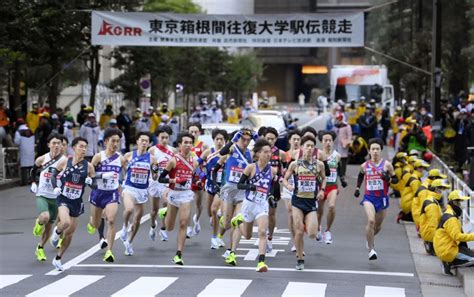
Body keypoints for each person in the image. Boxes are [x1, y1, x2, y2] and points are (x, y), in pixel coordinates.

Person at [231, 138, 278, 272]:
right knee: (247, 236)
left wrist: (271, 196)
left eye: (270, 152)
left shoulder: (273, 170)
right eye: (265, 152)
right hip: (249, 204)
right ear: (257, 153)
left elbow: (272, 187)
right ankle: (239, 220)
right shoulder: (251, 167)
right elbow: (240, 184)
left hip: (262, 205)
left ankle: (261, 262)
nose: (268, 155)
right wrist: (250, 186)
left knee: (263, 231)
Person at [49, 137, 95, 271]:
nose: (84, 149)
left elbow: (95, 184)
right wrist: (55, 187)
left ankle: (58, 258)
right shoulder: (65, 161)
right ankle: (56, 232)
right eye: (81, 146)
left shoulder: (89, 166)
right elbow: (53, 174)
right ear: (74, 148)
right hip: (63, 198)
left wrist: (91, 182)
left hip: (77, 201)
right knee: (65, 222)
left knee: (69, 233)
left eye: (85, 147)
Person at [213, 128, 256, 265]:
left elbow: (262, 153)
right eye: (243, 139)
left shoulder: (250, 153)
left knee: (238, 220)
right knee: (226, 224)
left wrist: (257, 137)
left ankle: (232, 252)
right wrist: (233, 140)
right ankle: (222, 217)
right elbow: (222, 152)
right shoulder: (232, 149)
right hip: (229, 189)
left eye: (248, 140)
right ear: (238, 138)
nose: (245, 142)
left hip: (242, 191)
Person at [283, 135, 326, 270]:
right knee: (299, 232)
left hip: (311, 203)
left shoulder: (319, 165)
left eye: (312, 146)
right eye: (307, 146)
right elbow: (285, 179)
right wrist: (288, 186)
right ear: (302, 148)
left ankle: (310, 226)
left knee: (312, 234)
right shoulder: (295, 164)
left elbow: (324, 178)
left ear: (314, 149)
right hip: (297, 202)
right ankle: (300, 258)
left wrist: (322, 190)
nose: (309, 148)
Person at [157, 132, 200, 265]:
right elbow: (161, 178)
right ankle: (164, 213)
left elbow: (195, 178)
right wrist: (175, 179)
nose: (188, 145)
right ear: (180, 145)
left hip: (186, 194)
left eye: (190, 143)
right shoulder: (173, 160)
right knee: (169, 227)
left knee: (183, 223)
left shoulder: (195, 162)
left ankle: (178, 254)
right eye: (185, 143)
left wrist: (198, 182)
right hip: (174, 194)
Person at [86, 128, 125, 263]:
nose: (115, 144)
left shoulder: (120, 158)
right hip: (98, 193)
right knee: (96, 223)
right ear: (106, 141)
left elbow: (126, 172)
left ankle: (109, 251)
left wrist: (122, 186)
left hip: (112, 194)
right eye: (113, 141)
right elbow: (89, 174)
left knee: (111, 220)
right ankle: (92, 222)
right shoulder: (98, 157)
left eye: (117, 141)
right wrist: (102, 175)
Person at [354, 138, 396, 260]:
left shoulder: (387, 165)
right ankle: (371, 249)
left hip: (382, 199)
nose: (375, 151)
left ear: (381, 151)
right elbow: (361, 175)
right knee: (371, 221)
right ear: (369, 151)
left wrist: (387, 178)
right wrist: (357, 188)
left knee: (377, 226)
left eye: (378, 149)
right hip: (369, 198)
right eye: (373, 149)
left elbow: (395, 180)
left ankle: (369, 237)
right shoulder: (364, 165)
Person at [119, 132, 159, 256]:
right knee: (129, 209)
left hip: (142, 191)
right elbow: (119, 167)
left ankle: (129, 242)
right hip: (129, 187)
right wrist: (121, 181)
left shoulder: (152, 158)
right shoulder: (129, 155)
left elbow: (155, 175)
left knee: (137, 220)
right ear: (137, 141)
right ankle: (125, 227)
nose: (144, 143)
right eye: (142, 140)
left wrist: (155, 173)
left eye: (147, 141)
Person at [29, 134, 67, 262]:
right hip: (42, 194)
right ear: (49, 144)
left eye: (59, 143)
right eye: (54, 143)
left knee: (49, 228)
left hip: (55, 197)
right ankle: (39, 223)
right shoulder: (42, 159)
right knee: (44, 217)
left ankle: (40, 248)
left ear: (62, 146)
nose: (56, 146)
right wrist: (34, 183)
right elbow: (33, 171)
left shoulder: (64, 161)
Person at [317, 131, 347, 244]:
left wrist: (342, 180)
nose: (328, 143)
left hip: (332, 187)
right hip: (320, 187)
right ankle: (318, 228)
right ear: (321, 142)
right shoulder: (318, 155)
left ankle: (328, 231)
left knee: (331, 206)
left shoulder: (337, 156)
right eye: (325, 140)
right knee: (319, 212)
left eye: (330, 140)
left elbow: (339, 170)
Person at [434, 190, 474, 275]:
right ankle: (449, 263)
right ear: (454, 203)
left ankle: (448, 261)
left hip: (445, 247)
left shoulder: (448, 213)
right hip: (448, 250)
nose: (462, 205)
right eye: (460, 202)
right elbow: (457, 237)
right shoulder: (451, 219)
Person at [200, 129, 228, 249]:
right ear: (213, 140)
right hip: (211, 184)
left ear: (225, 141)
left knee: (215, 210)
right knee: (210, 212)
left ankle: (215, 238)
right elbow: (197, 163)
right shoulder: (208, 152)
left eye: (222, 139)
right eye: (217, 139)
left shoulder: (228, 153)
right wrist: (200, 173)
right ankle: (216, 226)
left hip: (222, 187)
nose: (219, 141)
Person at [148, 125, 175, 242]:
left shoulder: (173, 151)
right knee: (154, 210)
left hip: (166, 182)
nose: (164, 140)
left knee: (166, 204)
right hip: (155, 182)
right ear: (157, 138)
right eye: (162, 137)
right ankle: (153, 226)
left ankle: (163, 228)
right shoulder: (152, 150)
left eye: (166, 137)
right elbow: (150, 166)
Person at [263, 127, 286, 252]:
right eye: (268, 138)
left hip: (274, 187)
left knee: (271, 214)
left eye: (272, 139)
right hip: (261, 186)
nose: (270, 141)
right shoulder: (258, 152)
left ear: (276, 139)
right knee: (261, 213)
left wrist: (282, 179)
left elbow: (285, 170)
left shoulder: (281, 153)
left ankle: (270, 238)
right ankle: (262, 235)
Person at [282, 129, 302, 252]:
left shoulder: (304, 154)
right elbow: (280, 172)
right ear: (289, 140)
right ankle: (295, 241)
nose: (295, 141)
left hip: (303, 188)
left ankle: (299, 237)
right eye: (294, 139)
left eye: (298, 139)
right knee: (290, 212)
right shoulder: (284, 155)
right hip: (289, 186)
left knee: (299, 215)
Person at [419, 179, 451, 256]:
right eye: (442, 188)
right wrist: (438, 240)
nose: (443, 191)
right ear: (437, 189)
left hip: (428, 231)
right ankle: (430, 244)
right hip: (429, 233)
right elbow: (433, 224)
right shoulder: (432, 204)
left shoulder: (431, 199)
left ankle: (430, 244)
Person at [188, 123, 208, 237]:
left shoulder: (203, 146)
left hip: (198, 177)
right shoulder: (185, 145)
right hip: (186, 177)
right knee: (188, 203)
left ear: (199, 133)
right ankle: (189, 227)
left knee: (198, 203)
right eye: (191, 131)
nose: (193, 134)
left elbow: (206, 161)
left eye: (196, 132)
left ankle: (197, 219)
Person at [14, 119, 35, 185]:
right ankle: (32, 180)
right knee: (31, 166)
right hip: (31, 150)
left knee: (24, 166)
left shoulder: (18, 131)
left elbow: (17, 142)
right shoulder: (30, 131)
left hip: (23, 150)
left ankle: (24, 182)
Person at [333, 113, 352, 178]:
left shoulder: (346, 126)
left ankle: (343, 172)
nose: (339, 120)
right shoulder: (335, 126)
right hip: (336, 144)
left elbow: (349, 136)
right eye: (338, 118)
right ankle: (338, 172)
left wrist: (348, 142)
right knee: (336, 159)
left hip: (344, 144)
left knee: (343, 159)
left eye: (340, 118)